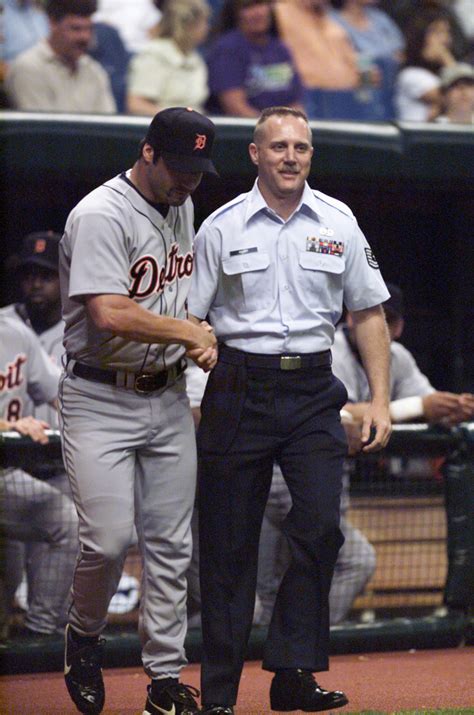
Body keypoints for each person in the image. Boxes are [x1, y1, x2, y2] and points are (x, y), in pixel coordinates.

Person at [188, 105, 392, 714]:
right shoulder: (219, 226)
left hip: (312, 390)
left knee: (322, 529)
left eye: (300, 148)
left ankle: (291, 671)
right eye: (278, 146)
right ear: (255, 154)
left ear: (310, 156)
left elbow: (369, 314)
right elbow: (191, 321)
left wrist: (380, 398)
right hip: (236, 387)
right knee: (227, 548)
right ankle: (219, 697)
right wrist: (198, 395)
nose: (290, 157)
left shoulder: (340, 220)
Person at [58, 106, 218, 715]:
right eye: (179, 167)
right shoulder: (100, 212)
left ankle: (164, 679)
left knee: (172, 544)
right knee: (105, 541)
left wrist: (190, 335)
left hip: (168, 393)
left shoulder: (183, 204)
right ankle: (84, 636)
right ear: (147, 152)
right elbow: (109, 312)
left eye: (199, 170)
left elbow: (172, 299)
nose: (189, 181)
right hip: (99, 394)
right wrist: (187, 332)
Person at [0, 314, 78, 639]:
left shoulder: (15, 333)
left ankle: (40, 634)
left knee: (64, 520)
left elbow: (61, 393)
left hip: (5, 473)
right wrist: (7, 426)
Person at [5, 0, 116, 113]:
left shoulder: (94, 70)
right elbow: (40, 128)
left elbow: (108, 126)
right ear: (53, 23)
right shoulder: (28, 68)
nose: (85, 37)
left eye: (89, 29)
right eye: (76, 29)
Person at [205, 0, 303, 117]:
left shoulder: (280, 49)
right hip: (243, 131)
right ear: (235, 13)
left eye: (262, 4)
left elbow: (296, 103)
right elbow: (235, 107)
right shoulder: (227, 50)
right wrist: (270, 128)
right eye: (248, 7)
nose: (259, 12)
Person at [274, 0, 361, 120]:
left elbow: (356, 67)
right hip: (304, 102)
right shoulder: (279, 13)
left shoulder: (334, 25)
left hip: (344, 102)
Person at [127, 0, 211, 116]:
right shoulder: (154, 55)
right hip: (163, 129)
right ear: (187, 26)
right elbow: (137, 104)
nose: (207, 28)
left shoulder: (195, 58)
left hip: (192, 129)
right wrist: (178, 120)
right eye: (203, 22)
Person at [330, 0, 406, 119]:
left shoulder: (381, 18)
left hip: (390, 88)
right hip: (352, 91)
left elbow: (399, 54)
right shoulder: (332, 20)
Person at [394, 7, 457, 121]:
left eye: (447, 32)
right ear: (420, 36)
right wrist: (446, 59)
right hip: (417, 137)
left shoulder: (441, 74)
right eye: (437, 32)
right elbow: (459, 97)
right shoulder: (410, 75)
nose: (444, 39)